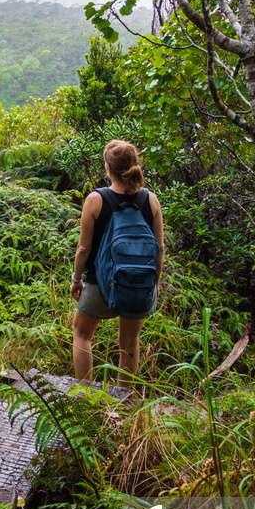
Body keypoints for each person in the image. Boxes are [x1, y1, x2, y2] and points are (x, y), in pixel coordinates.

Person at [70, 140, 164, 389]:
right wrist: (155, 283)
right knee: (130, 343)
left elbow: (83, 248)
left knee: (81, 333)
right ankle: (125, 403)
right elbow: (160, 249)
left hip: (99, 283)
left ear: (108, 168)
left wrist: (76, 279)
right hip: (139, 283)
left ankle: (85, 397)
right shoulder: (150, 200)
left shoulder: (95, 199)